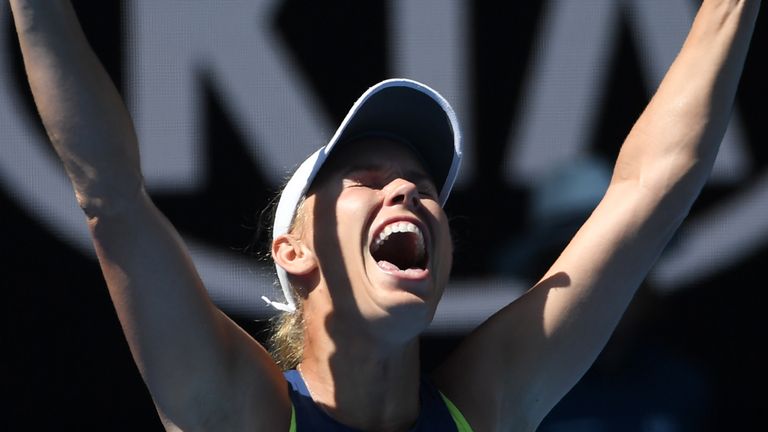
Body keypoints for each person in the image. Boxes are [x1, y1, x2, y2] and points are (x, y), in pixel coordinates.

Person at [9, 0, 761, 430]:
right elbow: (108, 191)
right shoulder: (241, 415)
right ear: (294, 252)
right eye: (367, 179)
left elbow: (650, 189)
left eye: (423, 184)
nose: (408, 193)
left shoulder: (484, 404)